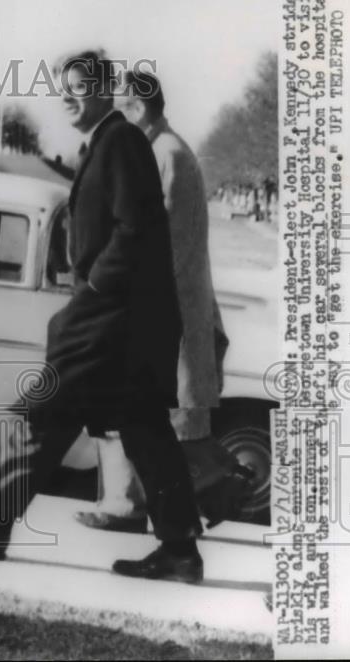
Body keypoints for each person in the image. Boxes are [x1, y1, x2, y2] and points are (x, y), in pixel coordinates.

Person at [0, 50, 205, 583]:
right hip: (123, 328)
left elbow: (135, 229)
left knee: (45, 414)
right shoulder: (109, 142)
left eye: (77, 88)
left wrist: (92, 290)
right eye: (63, 91)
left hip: (109, 323)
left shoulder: (119, 140)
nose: (67, 99)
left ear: (105, 90)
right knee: (143, 434)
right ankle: (180, 552)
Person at [75, 69, 244, 533]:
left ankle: (184, 490)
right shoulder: (168, 151)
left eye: (121, 107)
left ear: (138, 108)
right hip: (169, 307)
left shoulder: (163, 155)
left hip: (164, 310)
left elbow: (151, 240)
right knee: (145, 415)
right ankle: (133, 504)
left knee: (151, 417)